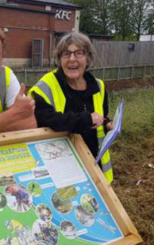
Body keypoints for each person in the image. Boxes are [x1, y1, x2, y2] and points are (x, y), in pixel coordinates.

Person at [28, 32, 115, 183]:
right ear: (59, 59)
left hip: (95, 168)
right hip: (62, 169)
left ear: (88, 58)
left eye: (79, 53)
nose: (72, 59)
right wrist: (85, 119)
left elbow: (100, 115)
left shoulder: (98, 86)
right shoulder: (46, 86)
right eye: (66, 54)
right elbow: (42, 118)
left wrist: (107, 123)